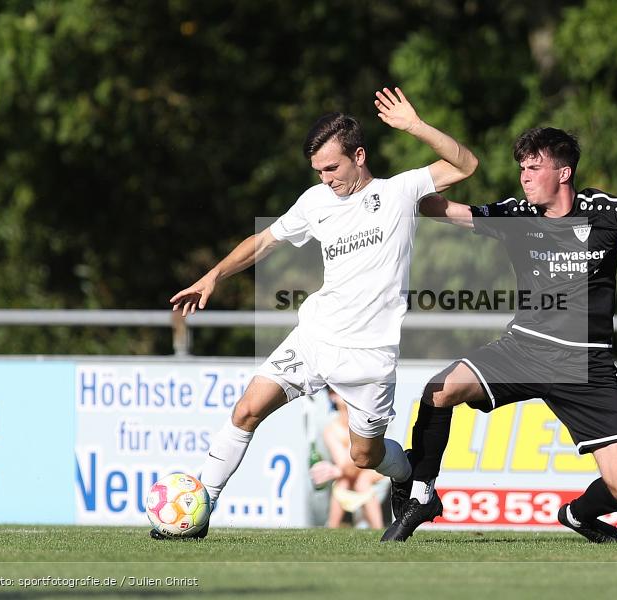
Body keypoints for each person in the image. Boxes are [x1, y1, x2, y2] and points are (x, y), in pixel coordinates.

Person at [380, 127, 617, 543]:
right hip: (523, 349)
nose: (524, 176)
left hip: (586, 365)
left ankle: (577, 515)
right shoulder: (516, 216)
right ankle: (422, 494)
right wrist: (404, 176)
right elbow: (443, 209)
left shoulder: (608, 210)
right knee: (438, 390)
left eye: (534, 167)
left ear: (564, 172)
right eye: (522, 167)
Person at [156, 87, 478, 539]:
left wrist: (415, 126)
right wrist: (213, 276)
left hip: (369, 355)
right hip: (315, 338)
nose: (325, 178)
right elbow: (265, 241)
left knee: (363, 457)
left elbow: (466, 166)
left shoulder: (401, 191)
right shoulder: (315, 202)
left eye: (332, 167)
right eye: (318, 170)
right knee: (248, 409)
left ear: (359, 156)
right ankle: (201, 507)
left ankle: (408, 479)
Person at [310, 388, 387, 528]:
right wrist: (341, 470)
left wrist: (337, 471)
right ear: (332, 396)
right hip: (352, 473)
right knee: (344, 481)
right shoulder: (331, 429)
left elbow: (368, 460)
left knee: (361, 480)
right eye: (337, 390)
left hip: (375, 469)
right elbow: (346, 465)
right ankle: (332, 529)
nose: (346, 393)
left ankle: (378, 529)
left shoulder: (365, 419)